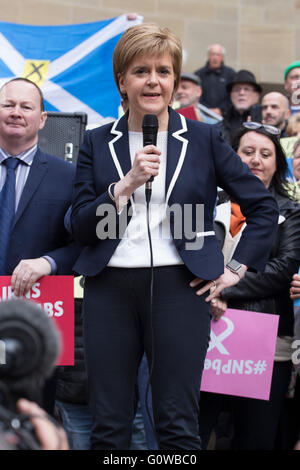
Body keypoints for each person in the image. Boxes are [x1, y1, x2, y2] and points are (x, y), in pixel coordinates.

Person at [70, 23, 279, 450]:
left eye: (164, 71)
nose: (153, 81)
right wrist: (124, 186)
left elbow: (263, 206)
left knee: (178, 425)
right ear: (121, 82)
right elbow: (77, 223)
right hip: (108, 285)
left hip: (182, 286)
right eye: (141, 70)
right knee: (109, 426)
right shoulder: (95, 142)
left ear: (174, 81)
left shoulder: (203, 138)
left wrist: (235, 270)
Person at [199, 122, 300, 450]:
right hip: (203, 338)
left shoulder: (292, 212)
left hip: (266, 346)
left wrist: (222, 290)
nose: (256, 160)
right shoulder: (205, 204)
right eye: (247, 152)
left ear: (277, 163)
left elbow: (282, 269)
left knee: (254, 440)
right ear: (231, 158)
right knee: (191, 436)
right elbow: (189, 255)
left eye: (265, 154)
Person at [0, 77, 80, 413]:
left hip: (34, 320)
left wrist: (48, 262)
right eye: (8, 104)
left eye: (26, 106)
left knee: (30, 423)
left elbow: (84, 245)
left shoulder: (69, 176)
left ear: (43, 119)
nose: (16, 112)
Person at [219, 69, 262, 143]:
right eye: (237, 89)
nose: (241, 93)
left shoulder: (265, 119)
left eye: (247, 89)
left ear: (256, 96)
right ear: (231, 95)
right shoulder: (221, 124)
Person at [194, 43, 235, 116]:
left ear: (222, 57)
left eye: (218, 55)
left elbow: (233, 96)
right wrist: (207, 110)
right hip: (202, 115)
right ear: (208, 56)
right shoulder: (199, 74)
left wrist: (221, 110)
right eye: (212, 54)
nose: (215, 57)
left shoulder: (231, 74)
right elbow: (195, 95)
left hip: (225, 116)